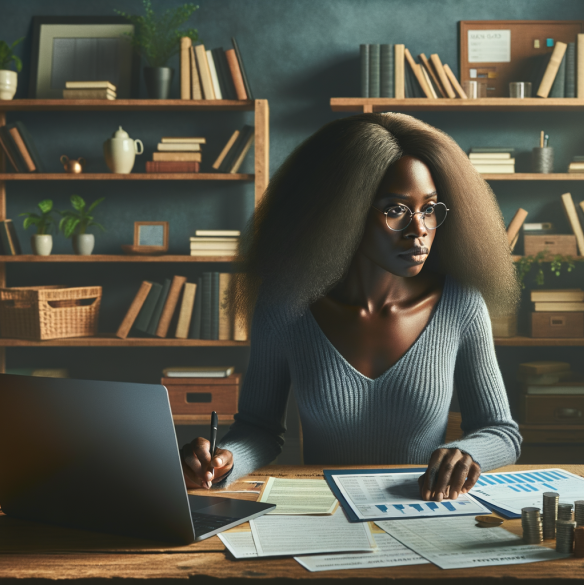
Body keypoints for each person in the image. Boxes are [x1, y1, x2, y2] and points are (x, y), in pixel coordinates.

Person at [180, 113, 522, 501]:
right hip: (323, 515)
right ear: (344, 213)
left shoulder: (460, 304)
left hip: (422, 514)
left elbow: (500, 431)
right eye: (396, 210)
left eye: (429, 208)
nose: (419, 229)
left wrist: (467, 453)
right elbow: (259, 428)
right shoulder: (284, 306)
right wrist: (224, 461)